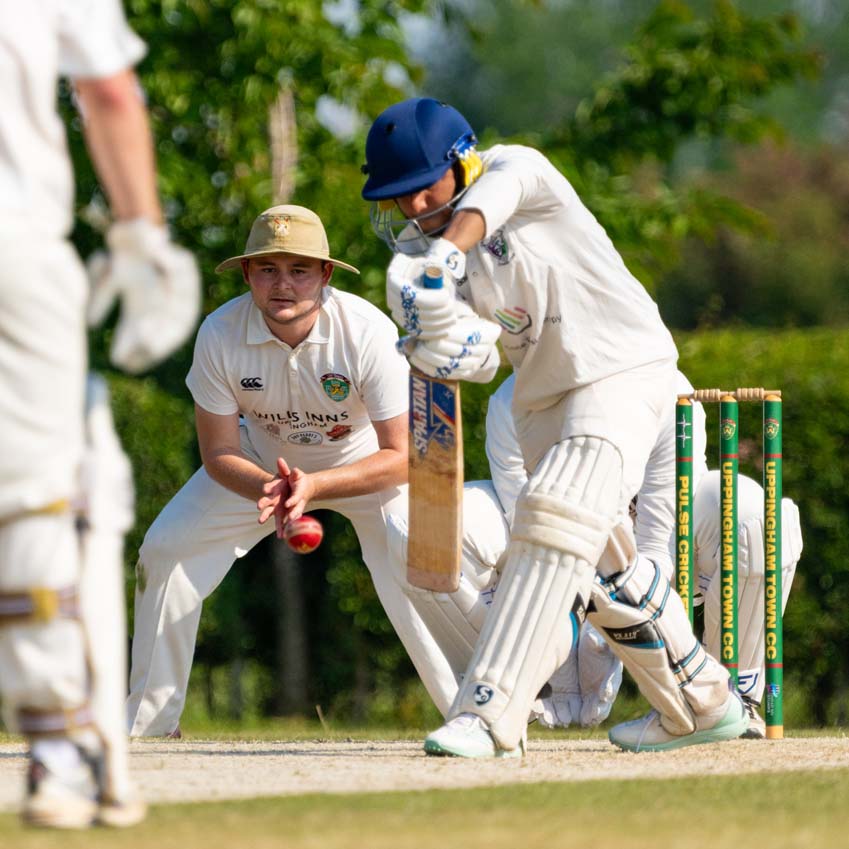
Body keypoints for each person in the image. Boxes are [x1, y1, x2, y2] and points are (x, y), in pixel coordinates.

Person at [361, 96, 748, 757]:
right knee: (604, 569)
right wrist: (435, 341)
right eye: (398, 196)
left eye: (424, 187)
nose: (413, 206)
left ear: (461, 162)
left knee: (551, 514)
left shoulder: (518, 170)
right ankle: (702, 701)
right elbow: (483, 359)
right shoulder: (430, 258)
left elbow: (494, 201)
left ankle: (487, 712)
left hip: (619, 366)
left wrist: (443, 256)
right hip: (541, 403)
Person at [126, 205, 460, 736]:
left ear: (325, 274)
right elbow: (218, 453)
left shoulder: (366, 331)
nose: (283, 284)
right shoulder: (219, 333)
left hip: (364, 465)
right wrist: (274, 487)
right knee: (165, 550)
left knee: (417, 560)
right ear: (247, 274)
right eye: (268, 269)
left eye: (299, 270)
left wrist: (316, 485)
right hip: (262, 467)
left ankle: (473, 712)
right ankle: (149, 724)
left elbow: (407, 456)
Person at [0, 0, 200, 829]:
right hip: (16, 254)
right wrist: (141, 234)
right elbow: (110, 93)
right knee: (42, 496)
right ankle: (62, 745)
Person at [388, 370, 803, 739]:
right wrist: (571, 655)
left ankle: (731, 697)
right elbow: (532, 530)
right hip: (562, 564)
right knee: (421, 525)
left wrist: (612, 621)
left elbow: (659, 542)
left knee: (753, 513)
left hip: (665, 568)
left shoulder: (667, 388)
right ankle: (507, 696)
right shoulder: (510, 400)